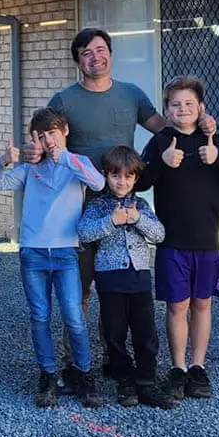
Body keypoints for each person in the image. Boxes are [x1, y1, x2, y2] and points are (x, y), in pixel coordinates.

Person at [41, 28, 217, 316]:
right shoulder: (63, 100)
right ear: (78, 61)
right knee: (79, 290)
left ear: (110, 53)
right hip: (79, 205)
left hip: (124, 205)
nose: (95, 58)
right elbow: (47, 141)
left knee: (118, 288)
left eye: (100, 50)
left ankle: (115, 356)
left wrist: (201, 121)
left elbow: (166, 127)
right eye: (86, 53)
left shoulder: (131, 94)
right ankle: (77, 358)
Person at [139, 75, 219, 401]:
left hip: (207, 241)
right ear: (167, 109)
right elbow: (138, 182)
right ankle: (177, 368)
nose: (183, 109)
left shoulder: (211, 138)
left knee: (202, 305)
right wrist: (160, 165)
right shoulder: (161, 141)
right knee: (177, 306)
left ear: (201, 107)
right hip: (172, 242)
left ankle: (197, 366)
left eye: (189, 103)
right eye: (176, 104)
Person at [0, 107, 105, 409]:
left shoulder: (76, 162)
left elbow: (98, 183)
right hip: (33, 252)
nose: (48, 140)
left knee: (74, 317)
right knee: (39, 316)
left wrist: (61, 156)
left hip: (66, 252)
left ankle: (83, 372)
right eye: (40, 136)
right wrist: (5, 161)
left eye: (52, 133)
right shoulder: (30, 168)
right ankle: (48, 374)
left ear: (65, 130)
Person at [77, 146, 175, 409]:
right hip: (110, 280)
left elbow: (159, 234)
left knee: (145, 332)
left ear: (135, 178)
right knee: (115, 332)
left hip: (139, 278)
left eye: (128, 177)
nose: (122, 182)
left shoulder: (141, 205)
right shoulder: (98, 205)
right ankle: (124, 379)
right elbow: (84, 233)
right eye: (115, 176)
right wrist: (112, 220)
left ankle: (146, 381)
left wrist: (137, 218)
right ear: (106, 176)